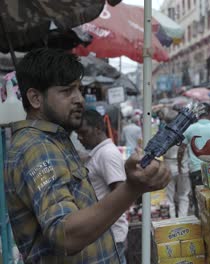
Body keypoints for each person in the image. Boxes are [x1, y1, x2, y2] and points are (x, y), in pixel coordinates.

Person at [5, 48, 170, 263]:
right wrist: (132, 188)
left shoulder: (53, 141)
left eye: (78, 89)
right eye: (67, 91)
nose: (79, 99)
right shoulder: (38, 147)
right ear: (35, 98)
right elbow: (67, 234)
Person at [76, 109, 129, 263]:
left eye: (83, 132)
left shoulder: (107, 154)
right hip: (104, 234)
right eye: (77, 133)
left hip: (110, 235)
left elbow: (120, 195)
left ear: (97, 129)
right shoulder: (99, 153)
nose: (79, 137)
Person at [177, 103, 210, 216]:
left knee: (198, 200)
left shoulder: (190, 128)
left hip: (196, 170)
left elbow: (181, 149)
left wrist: (180, 165)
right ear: (209, 113)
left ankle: (200, 222)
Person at [163, 110, 191, 218]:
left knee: (169, 197)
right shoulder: (184, 132)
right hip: (182, 168)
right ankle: (182, 219)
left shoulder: (163, 134)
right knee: (183, 196)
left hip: (168, 167)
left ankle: (172, 221)